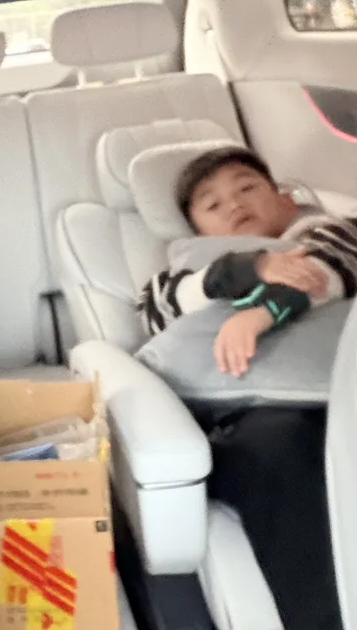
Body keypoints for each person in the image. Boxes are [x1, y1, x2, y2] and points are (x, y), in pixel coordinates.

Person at [138, 145, 357, 630]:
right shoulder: (183, 275)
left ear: (284, 199)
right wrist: (246, 268)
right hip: (254, 418)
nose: (234, 203)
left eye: (247, 187)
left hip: (345, 397)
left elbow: (329, 263)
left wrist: (264, 311)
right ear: (198, 232)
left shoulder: (334, 232)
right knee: (277, 449)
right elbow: (157, 310)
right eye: (212, 204)